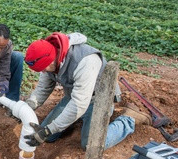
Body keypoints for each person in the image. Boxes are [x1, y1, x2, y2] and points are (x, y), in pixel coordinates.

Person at [23, 32, 151, 150]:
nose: (43, 72)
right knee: (49, 137)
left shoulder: (85, 61)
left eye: (44, 68)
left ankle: (129, 120)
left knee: (90, 144)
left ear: (52, 59)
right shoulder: (47, 60)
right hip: (74, 96)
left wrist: (49, 129)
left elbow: (79, 104)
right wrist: (30, 105)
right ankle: (72, 120)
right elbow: (43, 88)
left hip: (97, 100)